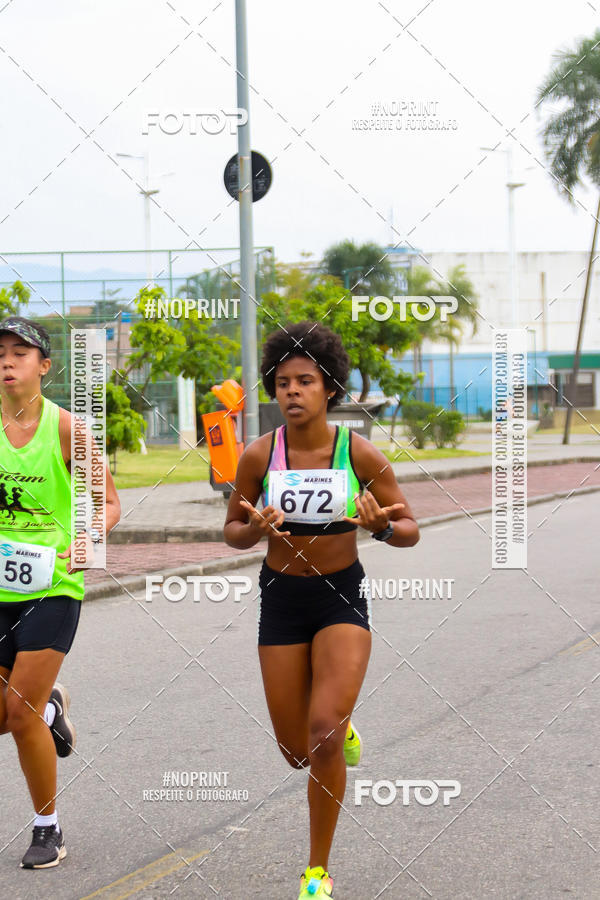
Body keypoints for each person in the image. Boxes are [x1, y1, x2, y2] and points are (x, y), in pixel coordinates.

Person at [224, 321, 419, 898]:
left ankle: (316, 870)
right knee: (295, 751)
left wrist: (383, 528)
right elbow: (231, 530)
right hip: (281, 600)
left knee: (324, 737)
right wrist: (252, 527)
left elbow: (409, 528)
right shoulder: (259, 455)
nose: (292, 391)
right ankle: (339, 719)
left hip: (340, 596)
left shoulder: (358, 452)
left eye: (305, 380)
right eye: (282, 382)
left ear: (328, 387)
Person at [0, 316, 121, 869]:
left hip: (53, 586)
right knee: (11, 714)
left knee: (18, 713)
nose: (7, 361)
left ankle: (47, 829)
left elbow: (108, 503)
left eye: (20, 352)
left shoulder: (69, 429)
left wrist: (86, 540)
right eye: (0, 352)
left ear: (44, 366)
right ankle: (52, 708)